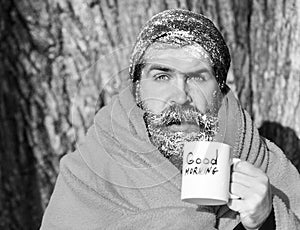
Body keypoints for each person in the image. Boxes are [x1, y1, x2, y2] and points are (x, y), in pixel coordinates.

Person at [40, 9, 300, 230]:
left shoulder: (263, 165)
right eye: (162, 76)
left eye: (198, 77)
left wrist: (267, 220)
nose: (181, 96)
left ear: (220, 91)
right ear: (137, 89)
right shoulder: (91, 169)